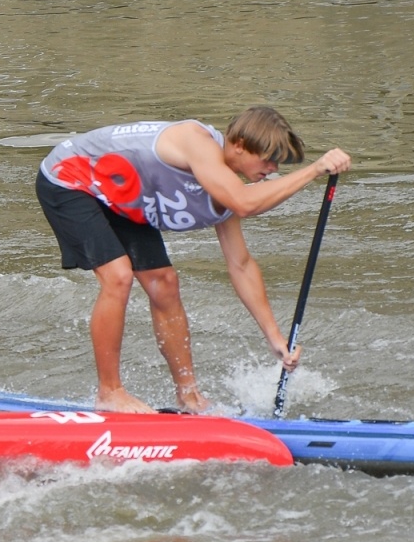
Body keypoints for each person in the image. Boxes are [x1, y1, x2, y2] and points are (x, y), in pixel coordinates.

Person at [36, 107, 351, 414]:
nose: (272, 169)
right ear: (239, 146)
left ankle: (189, 396)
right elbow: (245, 203)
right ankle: (109, 393)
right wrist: (314, 170)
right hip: (71, 180)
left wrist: (275, 338)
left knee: (165, 284)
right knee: (118, 276)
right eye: (269, 159)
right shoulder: (196, 141)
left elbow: (240, 264)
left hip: (123, 197)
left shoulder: (224, 189)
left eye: (278, 164)